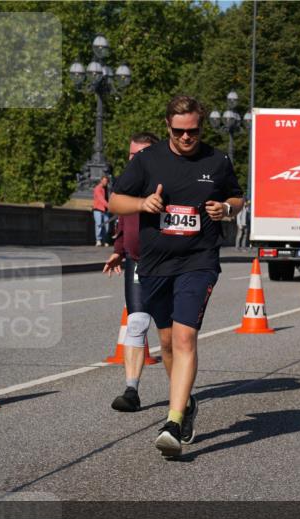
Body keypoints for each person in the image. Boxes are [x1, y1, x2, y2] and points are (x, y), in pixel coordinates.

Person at [109, 95, 243, 458]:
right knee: (166, 343)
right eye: (179, 131)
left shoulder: (217, 161)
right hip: (155, 264)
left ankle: (172, 421)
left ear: (201, 127)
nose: (187, 137)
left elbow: (236, 198)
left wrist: (226, 208)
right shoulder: (147, 161)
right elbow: (115, 200)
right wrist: (142, 204)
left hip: (198, 261)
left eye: (193, 131)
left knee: (185, 338)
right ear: (168, 126)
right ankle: (187, 404)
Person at [102, 132, 162, 412]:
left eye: (142, 154)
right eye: (132, 154)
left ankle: (181, 394)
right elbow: (124, 219)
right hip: (137, 261)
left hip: (169, 264)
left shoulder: (167, 182)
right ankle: (131, 391)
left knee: (173, 333)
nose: (135, 159)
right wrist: (118, 249)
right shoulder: (127, 184)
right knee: (136, 323)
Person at [93, 176, 110, 247]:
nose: (105, 182)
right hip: (98, 209)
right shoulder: (97, 188)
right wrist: (109, 206)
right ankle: (98, 240)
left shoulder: (107, 189)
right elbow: (101, 199)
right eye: (104, 181)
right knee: (99, 225)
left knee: (107, 226)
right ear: (101, 181)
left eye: (107, 181)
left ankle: (105, 240)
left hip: (105, 210)